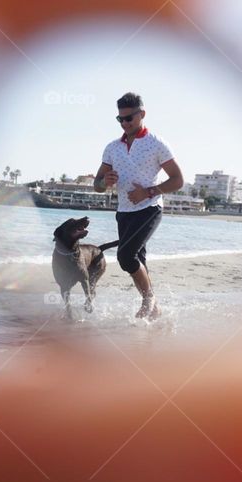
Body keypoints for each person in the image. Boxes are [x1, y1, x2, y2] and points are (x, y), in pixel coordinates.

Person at [94, 92, 184, 319]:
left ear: (141, 114)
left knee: (125, 257)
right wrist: (106, 182)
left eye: (129, 118)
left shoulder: (156, 144)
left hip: (149, 209)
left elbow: (177, 180)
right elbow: (97, 185)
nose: (124, 123)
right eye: (120, 119)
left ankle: (148, 300)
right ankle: (155, 310)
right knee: (138, 260)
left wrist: (148, 192)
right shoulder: (112, 148)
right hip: (123, 212)